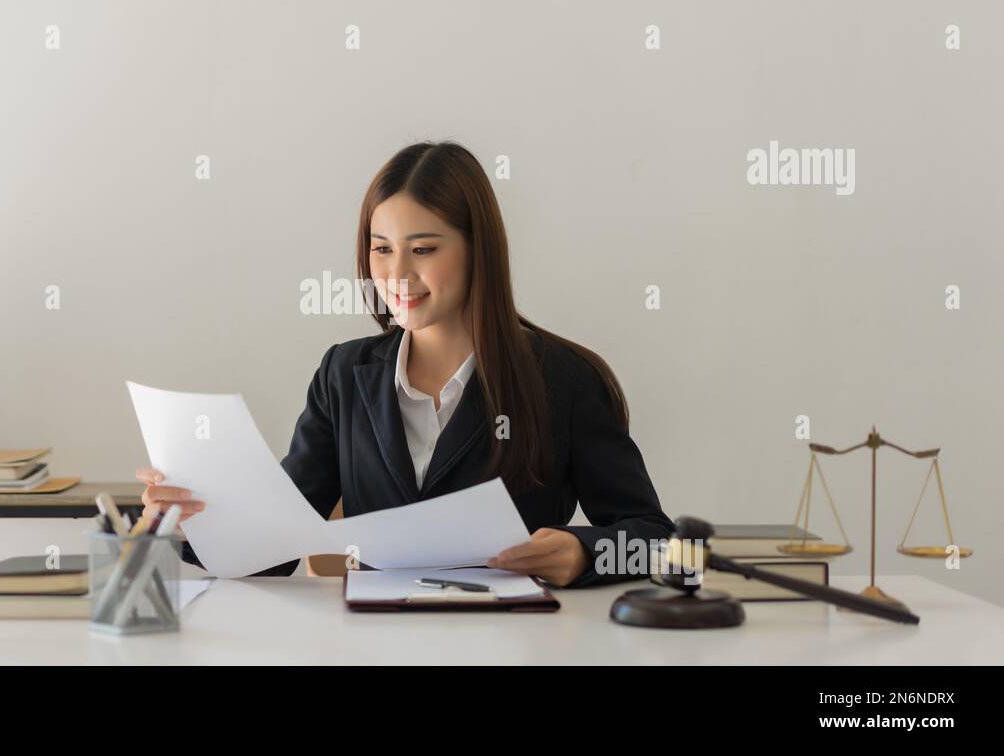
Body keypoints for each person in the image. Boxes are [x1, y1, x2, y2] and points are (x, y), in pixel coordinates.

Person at [137, 141, 674, 587]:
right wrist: (184, 529)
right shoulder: (343, 376)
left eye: (423, 250)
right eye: (381, 249)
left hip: (512, 643)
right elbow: (274, 549)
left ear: (477, 249)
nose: (396, 274)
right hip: (374, 646)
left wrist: (583, 552)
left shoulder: (564, 379)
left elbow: (660, 541)